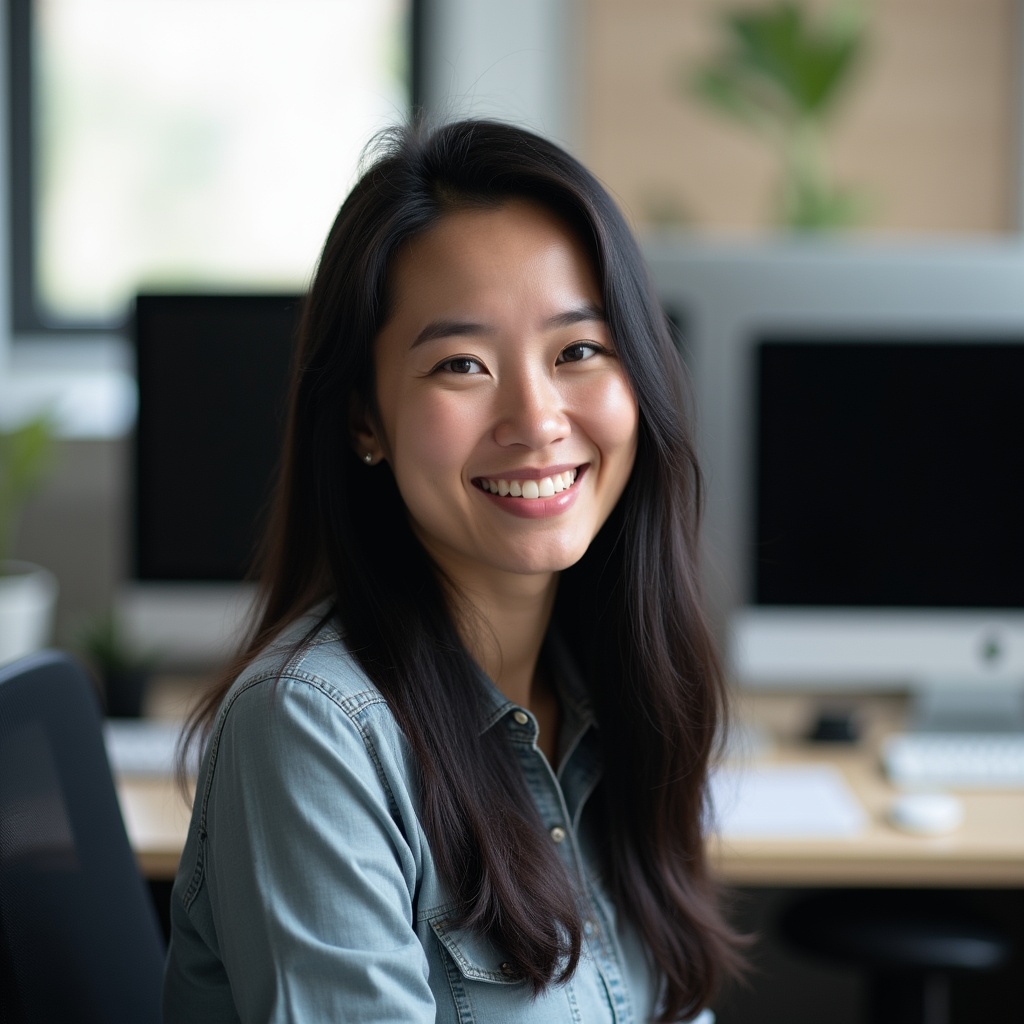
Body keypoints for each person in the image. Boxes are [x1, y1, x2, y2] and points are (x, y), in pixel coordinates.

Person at [163, 118, 744, 1024]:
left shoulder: (614, 688)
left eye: (578, 350)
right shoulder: (312, 732)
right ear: (365, 420)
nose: (537, 417)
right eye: (461, 364)